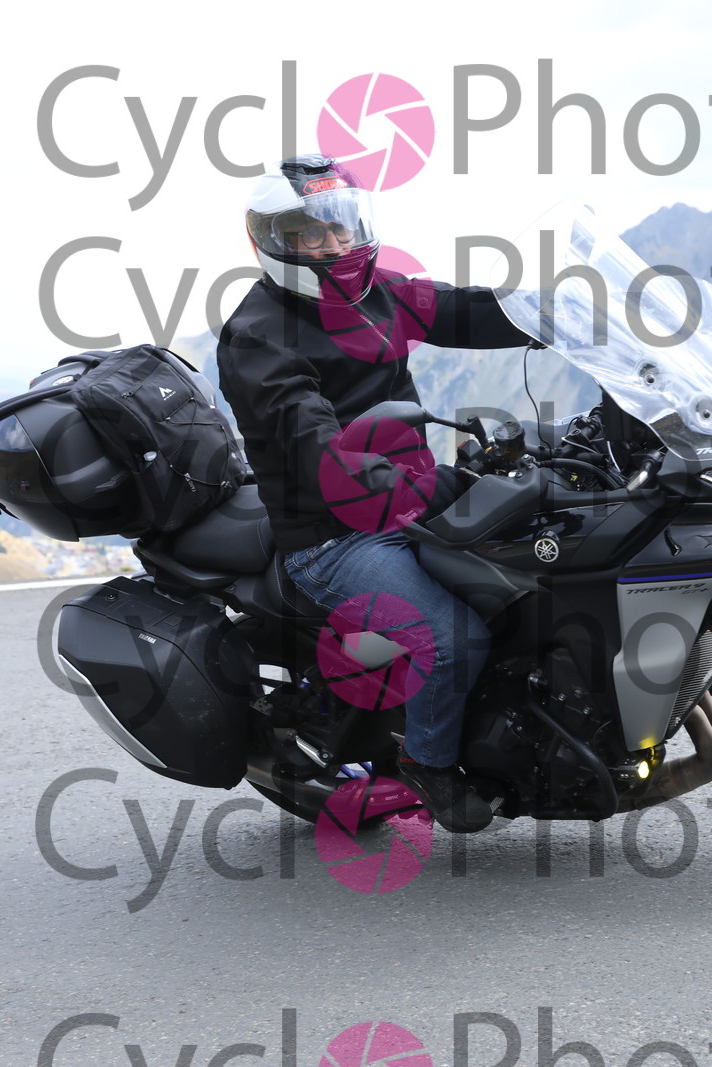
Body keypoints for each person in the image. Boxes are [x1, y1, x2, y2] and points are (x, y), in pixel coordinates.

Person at [216, 154, 538, 833]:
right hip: (335, 538)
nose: (334, 244)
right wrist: (427, 485)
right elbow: (320, 450)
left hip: (412, 503)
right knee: (451, 637)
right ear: (275, 243)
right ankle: (429, 764)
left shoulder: (375, 293)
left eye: (341, 226)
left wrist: (564, 316)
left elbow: (465, 310)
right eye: (312, 233)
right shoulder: (258, 338)